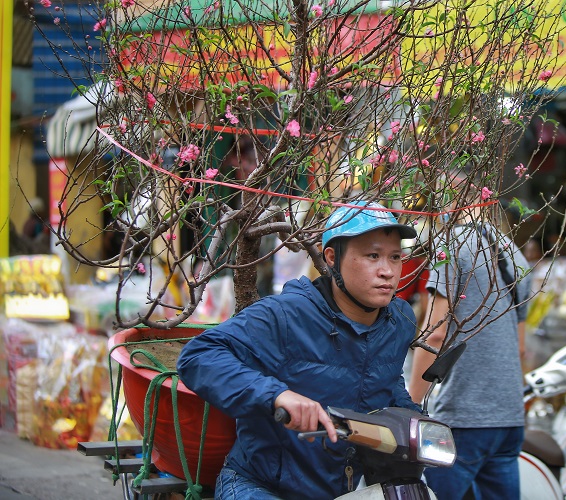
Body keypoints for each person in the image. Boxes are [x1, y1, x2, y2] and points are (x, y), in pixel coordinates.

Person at [177, 201, 421, 499]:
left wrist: (413, 418)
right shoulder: (286, 314)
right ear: (332, 258)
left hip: (340, 490)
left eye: (395, 257)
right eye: (372, 256)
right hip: (259, 486)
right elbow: (198, 355)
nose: (387, 271)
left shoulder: (400, 320)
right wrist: (277, 395)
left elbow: (388, 382)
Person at [409, 202, 531, 500]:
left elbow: (435, 334)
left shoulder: (452, 244)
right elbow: (521, 347)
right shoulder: (515, 253)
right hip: (509, 416)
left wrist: (409, 402)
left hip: (464, 414)